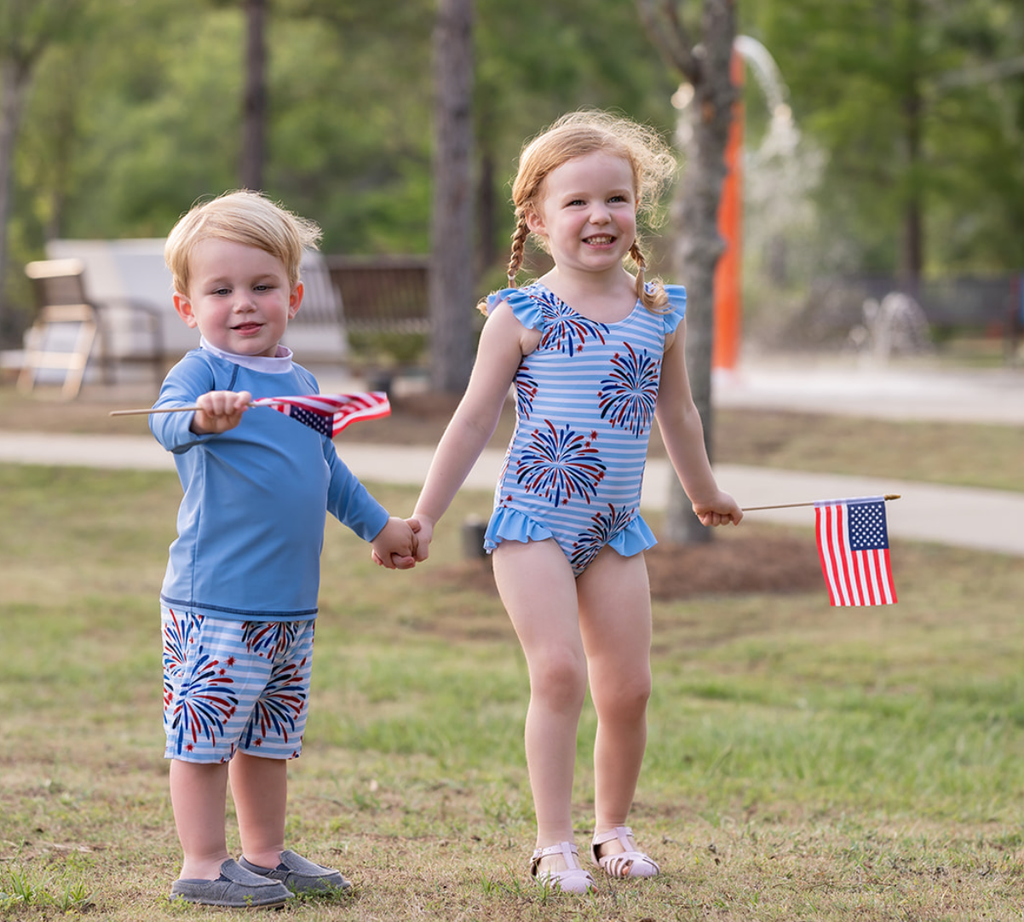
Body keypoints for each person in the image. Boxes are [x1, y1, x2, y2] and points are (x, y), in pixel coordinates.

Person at [408, 111, 743, 893]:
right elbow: (472, 420)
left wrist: (704, 492)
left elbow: (678, 412)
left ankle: (613, 831)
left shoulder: (659, 309)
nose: (600, 216)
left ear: (637, 209)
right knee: (558, 673)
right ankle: (551, 843)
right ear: (536, 218)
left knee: (628, 688)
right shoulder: (520, 314)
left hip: (615, 527)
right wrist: (425, 513)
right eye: (577, 202)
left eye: (617, 199)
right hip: (534, 522)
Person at [151, 190, 419, 908]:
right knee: (205, 737)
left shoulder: (301, 384)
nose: (243, 303)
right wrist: (201, 419)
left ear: (293, 297)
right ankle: (202, 864)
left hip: (288, 607)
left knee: (269, 738)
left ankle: (264, 855)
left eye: (262, 286)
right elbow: (165, 421)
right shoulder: (202, 375)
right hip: (216, 602)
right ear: (187, 307)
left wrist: (381, 527)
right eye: (220, 290)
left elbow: (327, 471)